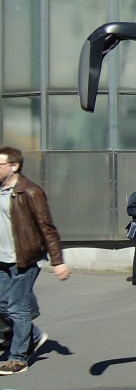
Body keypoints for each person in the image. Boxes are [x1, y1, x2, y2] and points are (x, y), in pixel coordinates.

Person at [0, 146, 70, 376]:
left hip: (25, 259)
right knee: (2, 305)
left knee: (17, 307)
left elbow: (46, 227)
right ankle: (35, 335)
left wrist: (58, 261)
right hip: (2, 259)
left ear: (14, 166)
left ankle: (18, 357)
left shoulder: (30, 191)